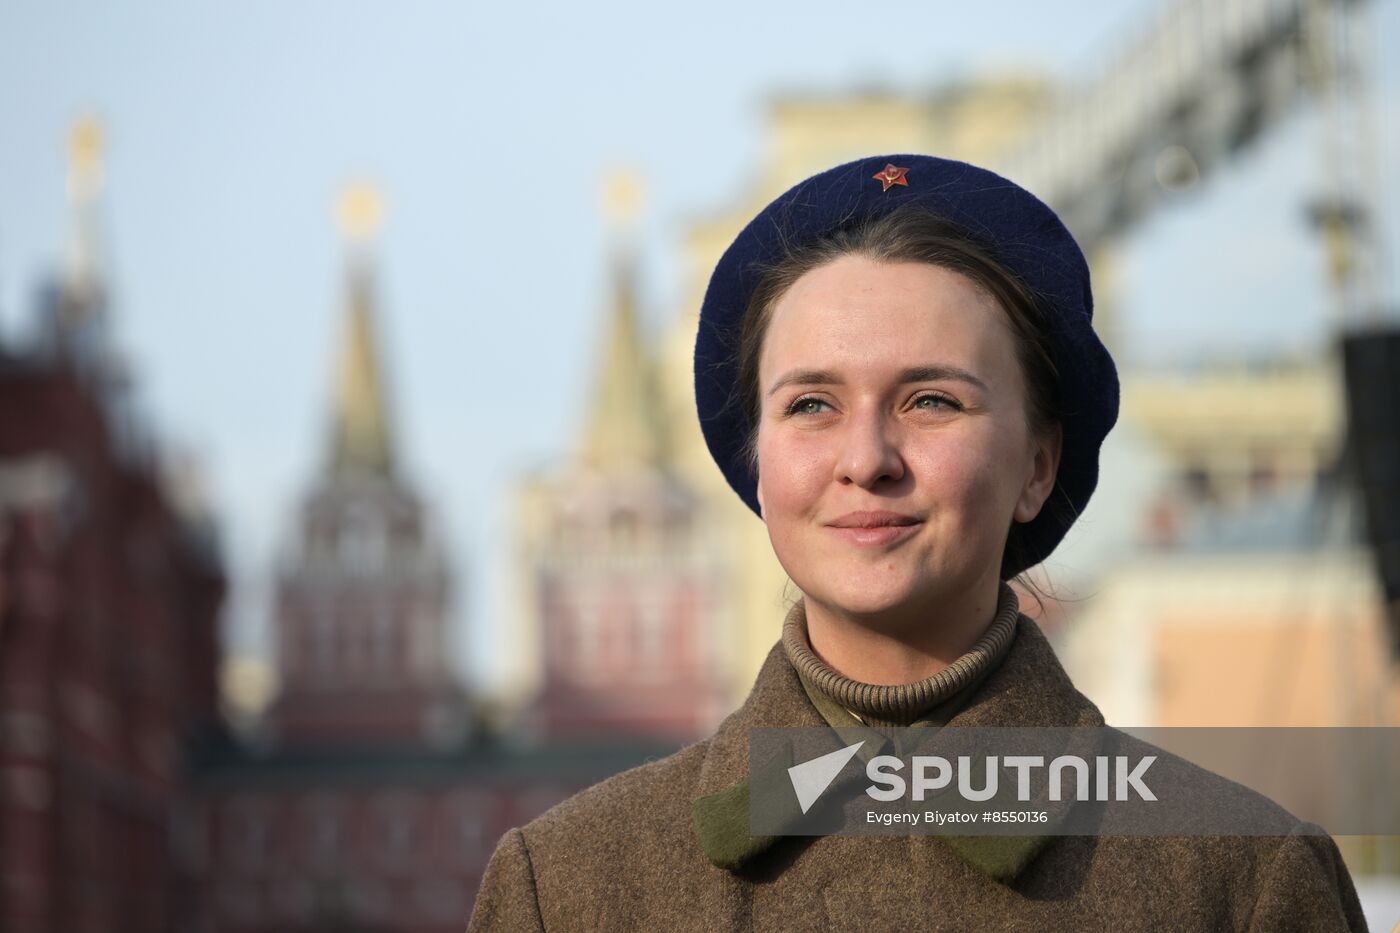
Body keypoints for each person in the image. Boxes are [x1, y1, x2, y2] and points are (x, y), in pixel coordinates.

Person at [466, 155, 1368, 931]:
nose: (866, 460)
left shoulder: (1241, 881)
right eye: (811, 405)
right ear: (759, 460)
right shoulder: (572, 886)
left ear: (1037, 465)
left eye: (932, 400)